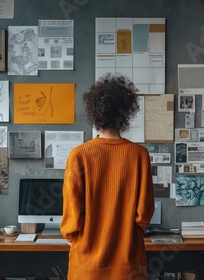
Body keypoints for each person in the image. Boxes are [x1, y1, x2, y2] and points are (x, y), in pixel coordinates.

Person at [60, 74, 155, 280]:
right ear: (127, 112)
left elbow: (72, 218)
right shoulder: (139, 154)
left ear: (93, 112)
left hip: (86, 267)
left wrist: (73, 237)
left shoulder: (79, 155)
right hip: (128, 265)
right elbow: (144, 216)